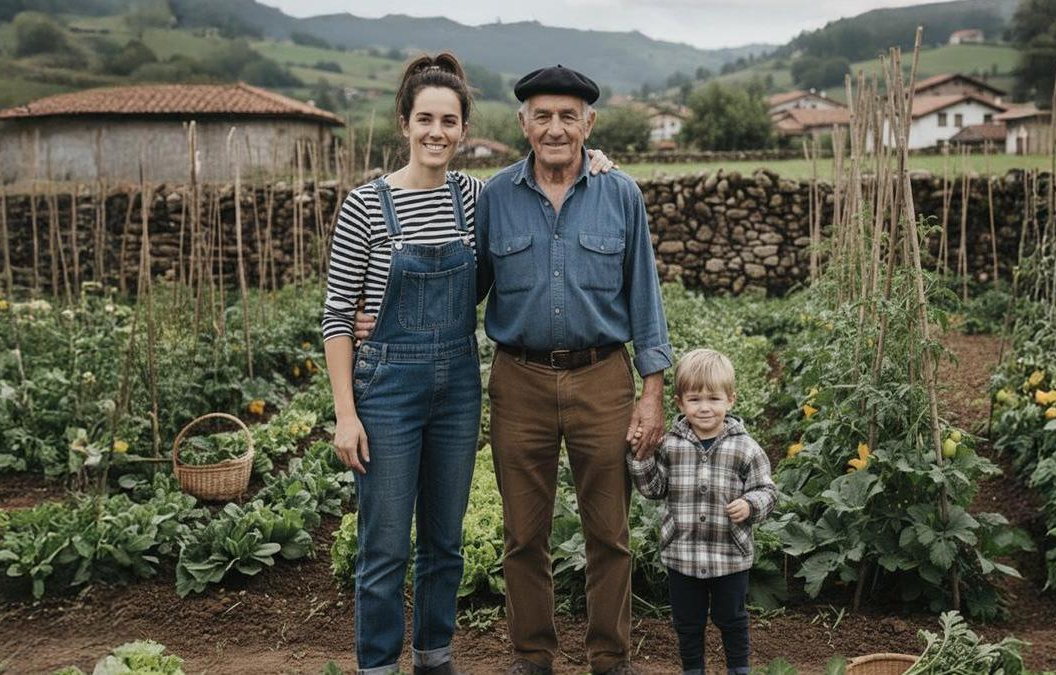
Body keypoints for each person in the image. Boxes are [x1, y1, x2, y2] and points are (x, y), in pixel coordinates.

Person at [322, 54, 613, 675]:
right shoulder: (365, 206)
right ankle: (377, 664)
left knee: (445, 542)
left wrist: (599, 163)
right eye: (424, 118)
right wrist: (345, 414)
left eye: (448, 121)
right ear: (404, 123)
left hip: (456, 385)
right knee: (383, 546)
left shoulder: (477, 198)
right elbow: (336, 316)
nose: (436, 132)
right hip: (386, 389)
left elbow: (541, 200)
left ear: (463, 129)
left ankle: (435, 657)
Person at [475, 64, 673, 675]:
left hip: (602, 379)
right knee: (523, 535)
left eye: (568, 116)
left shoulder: (621, 195)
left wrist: (651, 393)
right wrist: (381, 318)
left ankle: (609, 659)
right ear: (523, 124)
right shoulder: (494, 197)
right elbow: (465, 291)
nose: (555, 128)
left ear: (589, 122)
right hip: (520, 381)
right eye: (543, 116)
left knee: (609, 534)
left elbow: (645, 297)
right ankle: (533, 656)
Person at [627, 349, 777, 675]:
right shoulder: (670, 445)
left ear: (730, 400)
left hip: (730, 557)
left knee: (732, 618)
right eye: (695, 399)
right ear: (680, 403)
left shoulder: (745, 448)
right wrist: (641, 457)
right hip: (682, 555)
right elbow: (653, 490)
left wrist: (751, 505)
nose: (705, 407)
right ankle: (692, 670)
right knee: (687, 623)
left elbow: (768, 491)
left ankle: (739, 668)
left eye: (713, 398)